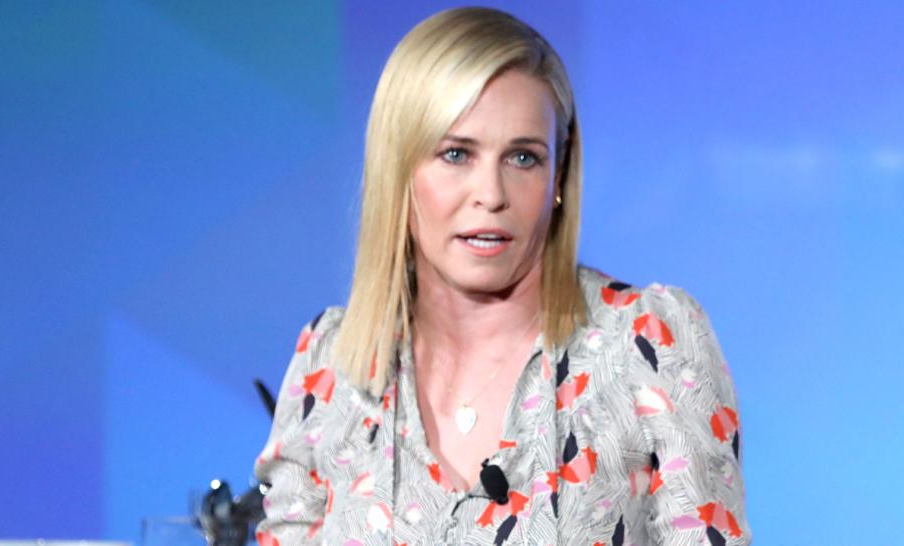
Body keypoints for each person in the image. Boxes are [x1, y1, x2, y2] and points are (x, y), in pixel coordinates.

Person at [254, 6, 750, 545]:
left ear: (559, 175)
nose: (491, 195)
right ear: (398, 169)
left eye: (522, 158)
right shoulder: (330, 363)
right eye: (455, 154)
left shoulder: (646, 345)